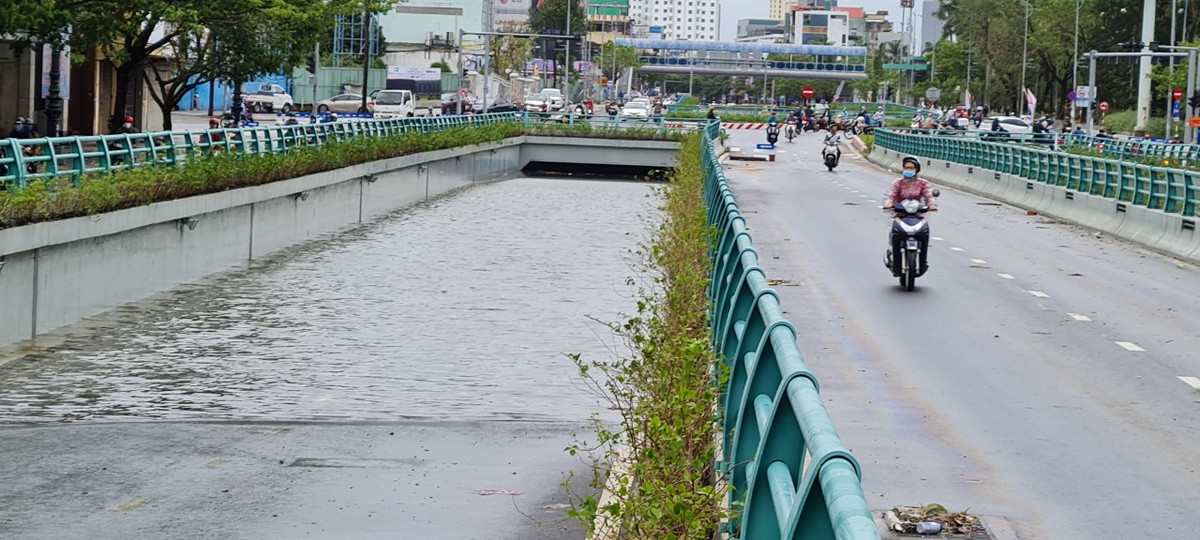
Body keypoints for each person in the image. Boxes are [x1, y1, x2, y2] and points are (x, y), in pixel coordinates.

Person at [884, 156, 939, 274]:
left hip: (917, 215)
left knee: (924, 233)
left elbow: (929, 196)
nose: (908, 170)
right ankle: (892, 253)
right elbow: (891, 195)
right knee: (893, 233)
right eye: (906, 168)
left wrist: (932, 205)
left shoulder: (923, 183)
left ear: (917, 169)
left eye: (911, 168)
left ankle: (923, 261)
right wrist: (889, 203)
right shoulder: (898, 183)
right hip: (900, 215)